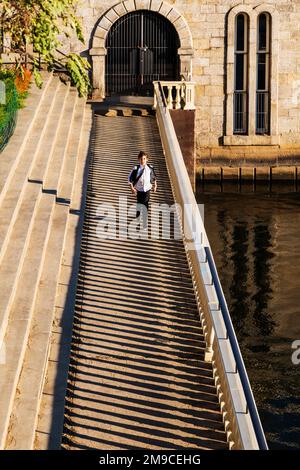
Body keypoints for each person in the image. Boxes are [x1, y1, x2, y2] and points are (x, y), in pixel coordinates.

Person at [128, 151, 157, 228]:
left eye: (144, 159)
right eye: (141, 159)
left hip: (147, 190)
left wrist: (155, 186)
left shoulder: (150, 168)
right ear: (138, 159)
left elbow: (153, 178)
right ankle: (137, 219)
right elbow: (129, 178)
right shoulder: (136, 168)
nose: (142, 160)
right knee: (139, 204)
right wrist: (131, 188)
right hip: (139, 190)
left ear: (147, 159)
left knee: (146, 203)